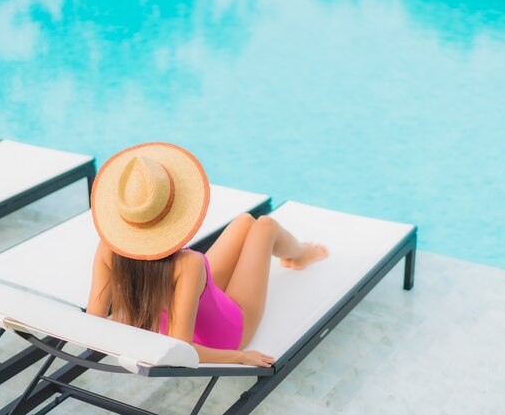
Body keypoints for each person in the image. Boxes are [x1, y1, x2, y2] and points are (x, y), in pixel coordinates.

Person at [86, 143, 327, 367]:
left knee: (244, 221)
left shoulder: (108, 248)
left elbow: (93, 321)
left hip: (189, 305)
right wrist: (240, 356)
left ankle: (299, 254)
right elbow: (181, 349)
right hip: (226, 336)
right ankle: (301, 255)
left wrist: (126, 320)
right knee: (266, 226)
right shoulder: (189, 264)